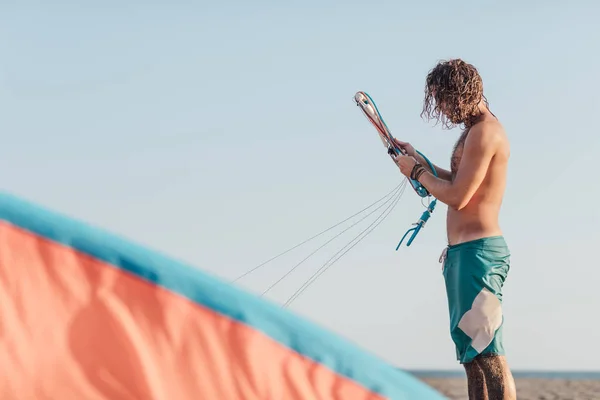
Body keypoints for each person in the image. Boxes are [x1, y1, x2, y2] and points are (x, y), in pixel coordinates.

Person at [393, 59, 517, 400]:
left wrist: (416, 174)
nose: (444, 111)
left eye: (444, 101)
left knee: (490, 354)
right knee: (472, 357)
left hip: (480, 254)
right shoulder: (474, 132)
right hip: (464, 253)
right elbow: (459, 181)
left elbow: (459, 197)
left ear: (459, 94)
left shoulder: (486, 132)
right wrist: (419, 160)